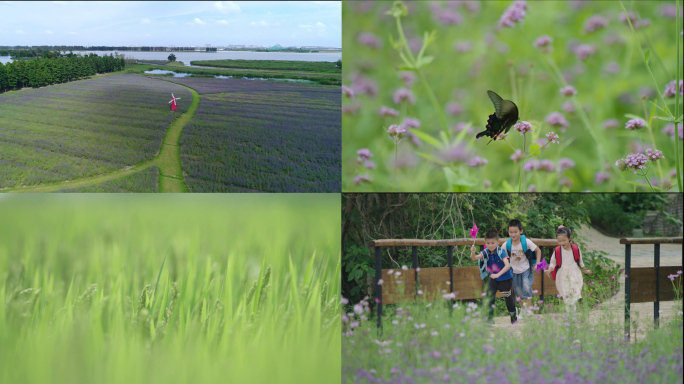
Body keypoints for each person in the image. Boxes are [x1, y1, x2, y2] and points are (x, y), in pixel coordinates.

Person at [471, 230, 517, 325]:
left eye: (493, 243)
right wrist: (473, 252)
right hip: (493, 279)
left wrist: (498, 274)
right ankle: (490, 319)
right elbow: (474, 258)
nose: (490, 245)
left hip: (505, 279)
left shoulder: (501, 251)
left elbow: (507, 266)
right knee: (489, 297)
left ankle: (513, 315)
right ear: (485, 243)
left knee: (508, 298)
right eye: (488, 243)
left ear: (498, 242)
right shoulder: (486, 252)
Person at [544, 226, 591, 314]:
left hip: (574, 273)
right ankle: (569, 313)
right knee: (566, 294)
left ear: (569, 238)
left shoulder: (576, 249)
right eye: (559, 241)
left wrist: (585, 270)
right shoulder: (557, 251)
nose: (562, 243)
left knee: (573, 292)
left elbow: (580, 262)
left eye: (564, 240)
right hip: (563, 275)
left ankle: (572, 312)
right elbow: (553, 263)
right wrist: (549, 270)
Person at [506, 219, 542, 319]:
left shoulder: (526, 242)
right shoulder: (507, 244)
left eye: (515, 232)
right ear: (508, 232)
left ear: (521, 231)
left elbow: (538, 250)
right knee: (518, 292)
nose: (513, 234)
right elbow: (502, 256)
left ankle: (529, 310)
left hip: (526, 268)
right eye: (511, 232)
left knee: (526, 287)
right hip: (514, 271)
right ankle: (523, 310)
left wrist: (538, 263)